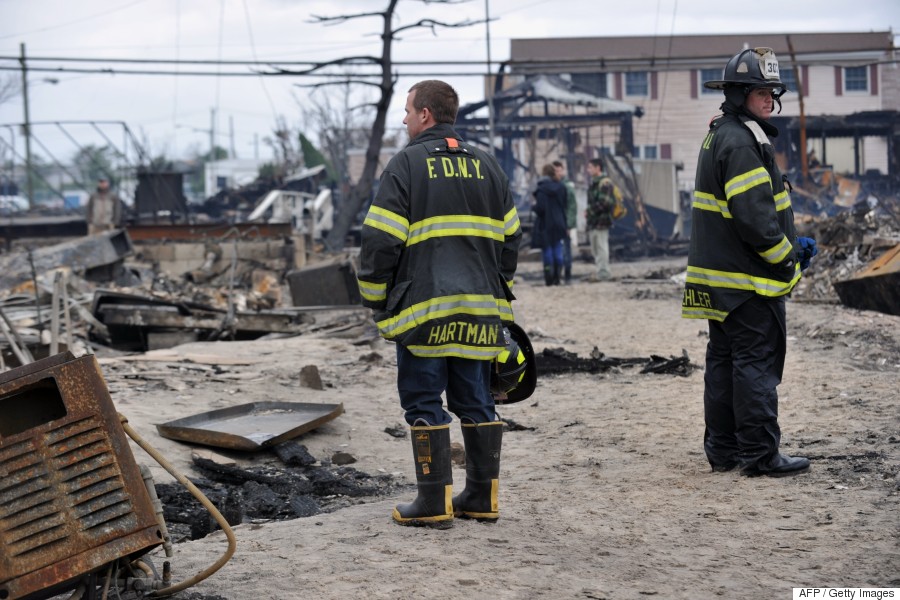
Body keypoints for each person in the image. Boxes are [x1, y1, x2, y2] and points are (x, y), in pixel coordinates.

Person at [356, 80, 522, 528]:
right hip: (480, 312)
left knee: (424, 400)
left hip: (425, 313)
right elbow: (511, 239)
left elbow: (379, 241)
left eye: (408, 111)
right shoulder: (489, 166)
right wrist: (496, 289)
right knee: (475, 398)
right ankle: (482, 499)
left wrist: (377, 301)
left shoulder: (406, 165)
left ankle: (433, 502)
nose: (405, 119)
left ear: (426, 115)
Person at [681, 47, 818, 478]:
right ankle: (760, 454)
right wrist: (788, 259)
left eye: (771, 91)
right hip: (747, 283)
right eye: (760, 91)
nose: (769, 99)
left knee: (724, 365)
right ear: (739, 94)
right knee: (755, 365)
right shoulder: (741, 141)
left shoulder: (726, 133)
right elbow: (756, 221)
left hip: (721, 281)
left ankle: (723, 452)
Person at [532, 164, 569, 286]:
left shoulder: (541, 189)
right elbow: (564, 205)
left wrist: (534, 207)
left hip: (545, 223)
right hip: (559, 223)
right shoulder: (562, 187)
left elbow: (541, 208)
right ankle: (558, 278)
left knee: (547, 251)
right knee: (558, 249)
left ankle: (549, 279)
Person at [585, 158, 619, 281]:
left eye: (590, 167)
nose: (588, 170)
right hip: (594, 221)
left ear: (597, 168)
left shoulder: (605, 183)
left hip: (602, 221)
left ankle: (604, 273)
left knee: (601, 247)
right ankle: (600, 271)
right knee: (596, 248)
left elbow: (605, 202)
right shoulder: (595, 183)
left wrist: (589, 211)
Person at [553, 160, 578, 284]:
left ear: (563, 171)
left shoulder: (567, 187)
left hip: (564, 224)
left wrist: (569, 224)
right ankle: (557, 275)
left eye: (559, 170)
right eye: (555, 171)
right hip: (555, 224)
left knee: (566, 250)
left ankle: (567, 275)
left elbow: (572, 207)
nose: (557, 173)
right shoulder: (552, 186)